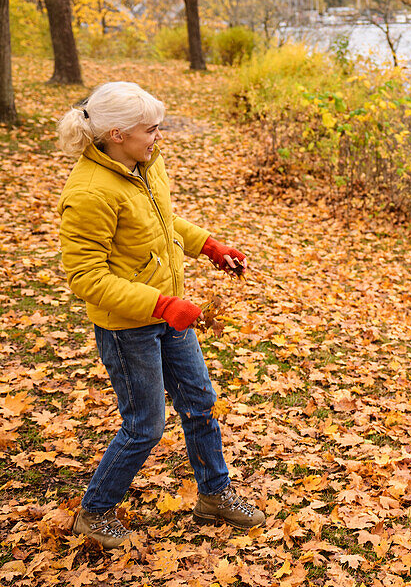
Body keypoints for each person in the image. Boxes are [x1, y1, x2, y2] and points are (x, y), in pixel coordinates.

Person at [56, 82, 266, 550]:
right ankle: (95, 511)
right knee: (145, 425)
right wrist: (163, 305)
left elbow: (163, 223)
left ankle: (214, 495)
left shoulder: (144, 163)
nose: (158, 136)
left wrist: (209, 245)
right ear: (115, 134)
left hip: (167, 316)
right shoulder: (89, 193)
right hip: (129, 327)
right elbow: (86, 278)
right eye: (150, 129)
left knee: (200, 403)